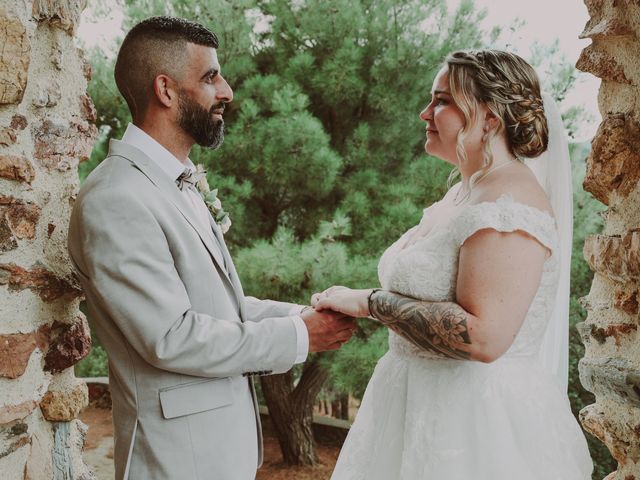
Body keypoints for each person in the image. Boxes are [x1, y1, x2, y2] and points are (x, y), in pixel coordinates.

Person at [67, 16, 356, 480]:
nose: (227, 91)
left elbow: (220, 307)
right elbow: (171, 337)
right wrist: (300, 336)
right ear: (165, 89)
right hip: (176, 459)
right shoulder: (116, 198)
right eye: (210, 77)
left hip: (219, 451)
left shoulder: (175, 181)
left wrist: (307, 313)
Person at [313, 49, 593, 479]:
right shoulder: (465, 192)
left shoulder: (508, 204)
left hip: (473, 427)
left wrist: (369, 302)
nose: (426, 112)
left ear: (491, 117)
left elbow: (484, 338)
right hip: (409, 408)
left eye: (442, 101)